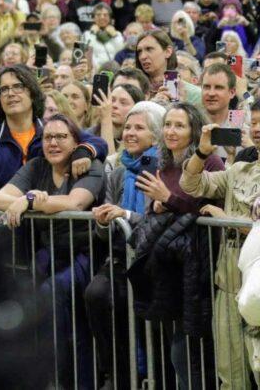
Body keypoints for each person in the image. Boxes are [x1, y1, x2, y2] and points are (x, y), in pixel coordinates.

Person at [0, 114, 104, 390]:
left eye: (61, 137)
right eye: (48, 138)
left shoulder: (90, 166)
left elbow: (75, 203)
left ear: (76, 142)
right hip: (49, 253)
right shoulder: (36, 166)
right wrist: (25, 198)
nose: (53, 143)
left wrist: (30, 201)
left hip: (85, 254)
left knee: (58, 303)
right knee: (23, 295)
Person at [0, 65, 106, 235]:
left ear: (32, 92)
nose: (10, 93)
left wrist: (83, 151)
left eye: (18, 86)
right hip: (6, 235)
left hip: (47, 236)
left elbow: (97, 142)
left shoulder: (51, 132)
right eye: (4, 89)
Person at [85, 101, 166, 390]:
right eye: (128, 127)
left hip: (155, 260)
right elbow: (103, 234)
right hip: (121, 259)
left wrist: (127, 216)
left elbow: (163, 220)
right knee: (97, 294)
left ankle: (151, 378)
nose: (130, 132)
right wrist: (104, 222)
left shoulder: (164, 170)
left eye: (139, 128)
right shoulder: (117, 172)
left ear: (156, 136)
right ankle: (116, 374)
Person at [181, 120, 260, 388]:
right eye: (256, 121)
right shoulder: (239, 170)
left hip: (257, 289)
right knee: (230, 378)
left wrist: (224, 217)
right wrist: (202, 153)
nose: (259, 128)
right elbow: (191, 185)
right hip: (228, 285)